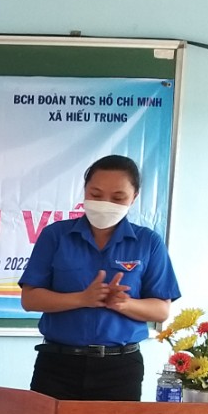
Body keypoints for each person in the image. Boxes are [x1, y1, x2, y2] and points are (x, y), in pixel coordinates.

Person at [19, 154, 180, 401]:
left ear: (134, 197)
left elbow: (161, 310)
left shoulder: (148, 242)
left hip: (120, 367)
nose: (105, 203)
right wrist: (82, 299)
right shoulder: (55, 235)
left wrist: (125, 304)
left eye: (118, 198)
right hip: (58, 364)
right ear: (85, 192)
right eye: (96, 194)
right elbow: (30, 299)